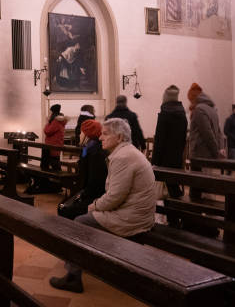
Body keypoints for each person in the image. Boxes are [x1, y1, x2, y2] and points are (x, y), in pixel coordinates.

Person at [49, 118, 156, 293]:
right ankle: (86, 266)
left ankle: (73, 277)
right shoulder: (126, 153)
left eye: (105, 134)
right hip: (132, 212)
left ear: (120, 137)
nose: (100, 138)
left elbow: (114, 197)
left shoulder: (123, 157)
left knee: (80, 222)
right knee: (84, 218)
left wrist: (95, 206)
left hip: (132, 217)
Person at [57, 119, 108, 220]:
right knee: (63, 205)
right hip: (88, 191)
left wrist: (82, 195)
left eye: (81, 132)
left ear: (87, 134)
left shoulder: (96, 153)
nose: (79, 134)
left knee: (65, 210)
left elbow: (95, 182)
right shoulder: (88, 149)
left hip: (96, 196)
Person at [188, 88, 224, 203]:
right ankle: (208, 211)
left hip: (199, 153)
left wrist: (216, 152)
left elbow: (207, 133)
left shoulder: (199, 110)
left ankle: (195, 214)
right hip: (208, 154)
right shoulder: (212, 110)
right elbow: (219, 132)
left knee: (197, 186)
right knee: (207, 184)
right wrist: (219, 149)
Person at [151, 85, 187, 198]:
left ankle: (172, 211)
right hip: (177, 155)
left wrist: (154, 160)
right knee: (173, 184)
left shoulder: (165, 113)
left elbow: (159, 139)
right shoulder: (182, 114)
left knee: (168, 189)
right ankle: (176, 207)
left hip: (164, 157)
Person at [27, 104, 66, 194]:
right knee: (53, 165)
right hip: (53, 145)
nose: (49, 113)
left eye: (50, 111)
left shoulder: (56, 122)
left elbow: (47, 131)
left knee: (51, 166)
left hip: (52, 146)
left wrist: (48, 122)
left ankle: (55, 185)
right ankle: (52, 184)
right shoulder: (58, 121)